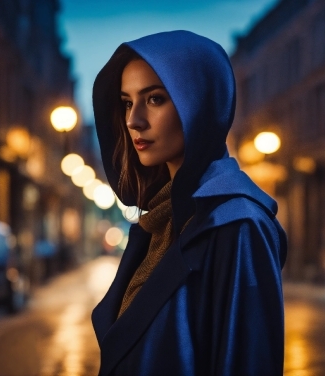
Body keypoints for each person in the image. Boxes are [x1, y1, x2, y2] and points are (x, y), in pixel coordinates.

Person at [91, 31, 287, 376]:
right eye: (126, 102)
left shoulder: (237, 224)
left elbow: (247, 362)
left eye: (154, 99)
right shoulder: (160, 220)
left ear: (198, 103)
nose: (133, 120)